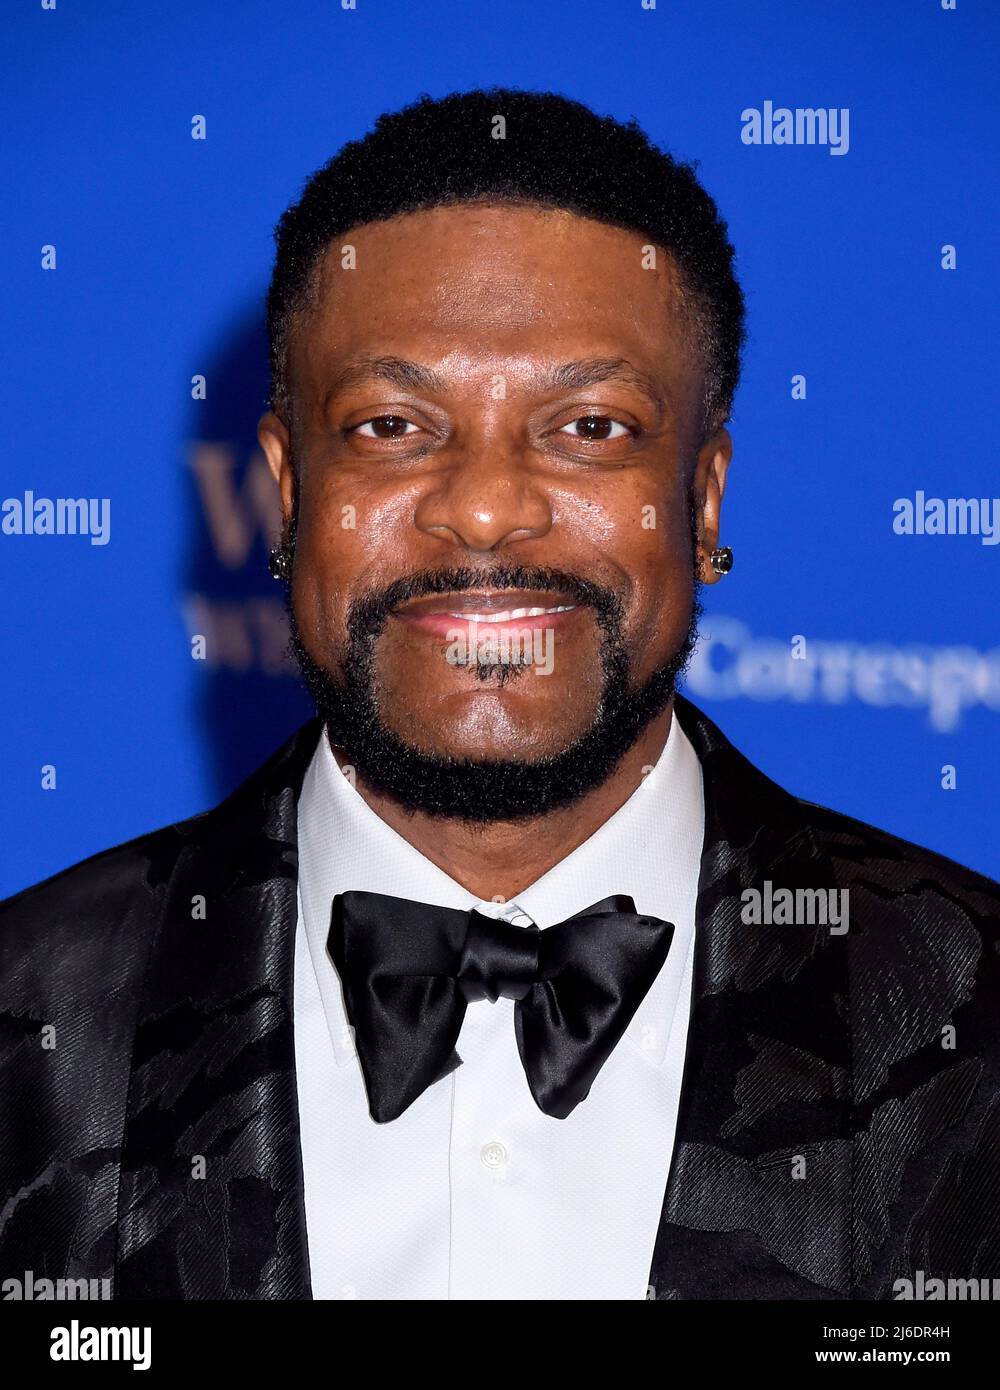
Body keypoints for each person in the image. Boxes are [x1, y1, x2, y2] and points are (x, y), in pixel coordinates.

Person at [1, 87, 997, 1302]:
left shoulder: (971, 1016)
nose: (482, 505)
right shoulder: (27, 1018)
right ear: (282, 489)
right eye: (388, 423)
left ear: (703, 497)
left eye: (587, 425)